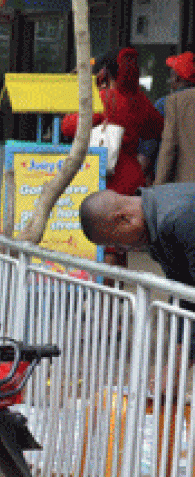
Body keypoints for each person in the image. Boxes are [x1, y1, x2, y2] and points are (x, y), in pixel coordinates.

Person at [63, 48, 163, 267]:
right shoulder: (139, 100)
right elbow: (156, 128)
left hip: (108, 174)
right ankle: (116, 292)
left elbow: (69, 127)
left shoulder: (105, 98)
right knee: (122, 239)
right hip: (132, 174)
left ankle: (105, 295)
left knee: (107, 240)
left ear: (104, 73)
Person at [79, 186, 195, 309]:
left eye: (116, 242)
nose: (119, 250)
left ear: (123, 219)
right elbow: (181, 287)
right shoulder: (153, 218)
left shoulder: (178, 219)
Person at [152, 52, 195, 184]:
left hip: (184, 186)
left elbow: (168, 148)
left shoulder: (171, 102)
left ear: (176, 78)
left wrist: (158, 186)